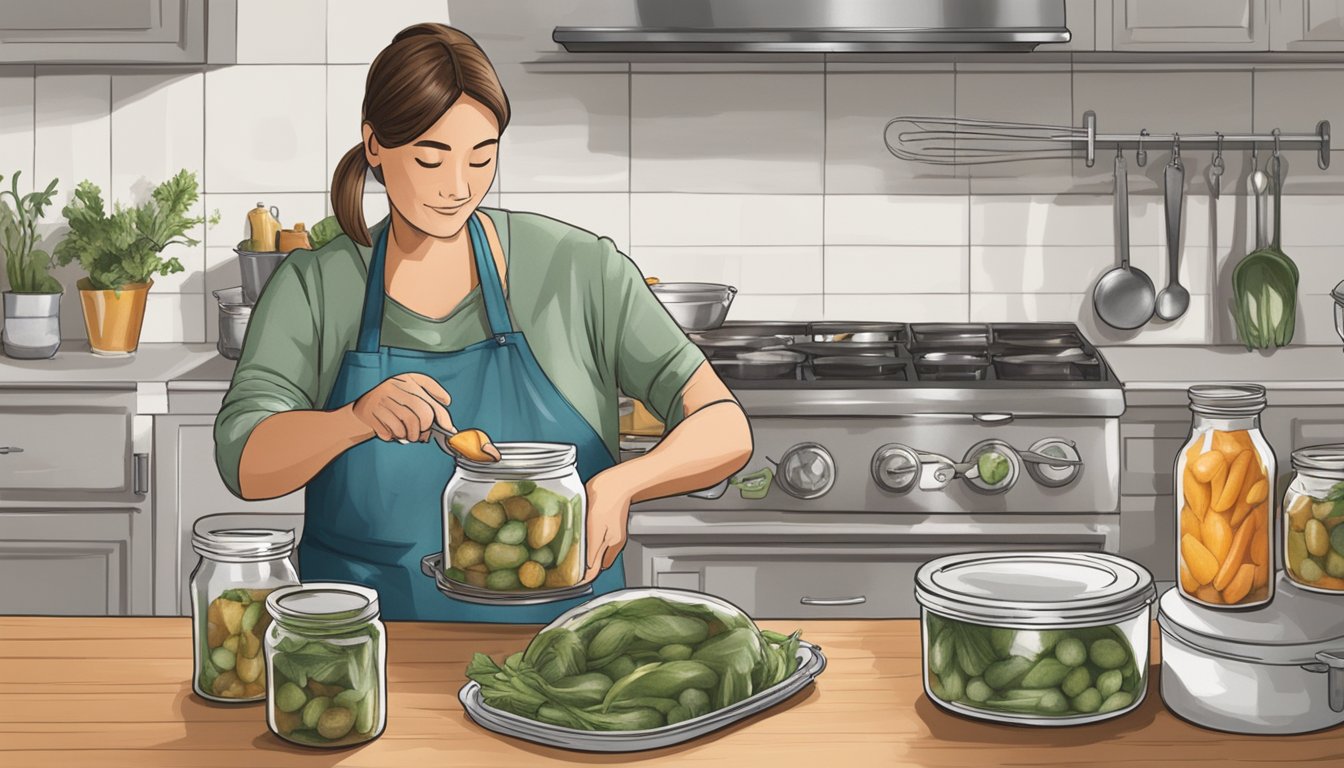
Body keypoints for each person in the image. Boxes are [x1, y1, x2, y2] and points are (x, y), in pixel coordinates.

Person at [214, 23, 752, 621]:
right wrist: (353, 420)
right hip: (363, 654)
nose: (458, 187)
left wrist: (623, 484)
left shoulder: (576, 269)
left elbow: (724, 426)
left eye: (482, 156)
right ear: (375, 146)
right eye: (430, 158)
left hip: (563, 649)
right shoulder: (317, 285)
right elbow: (246, 466)